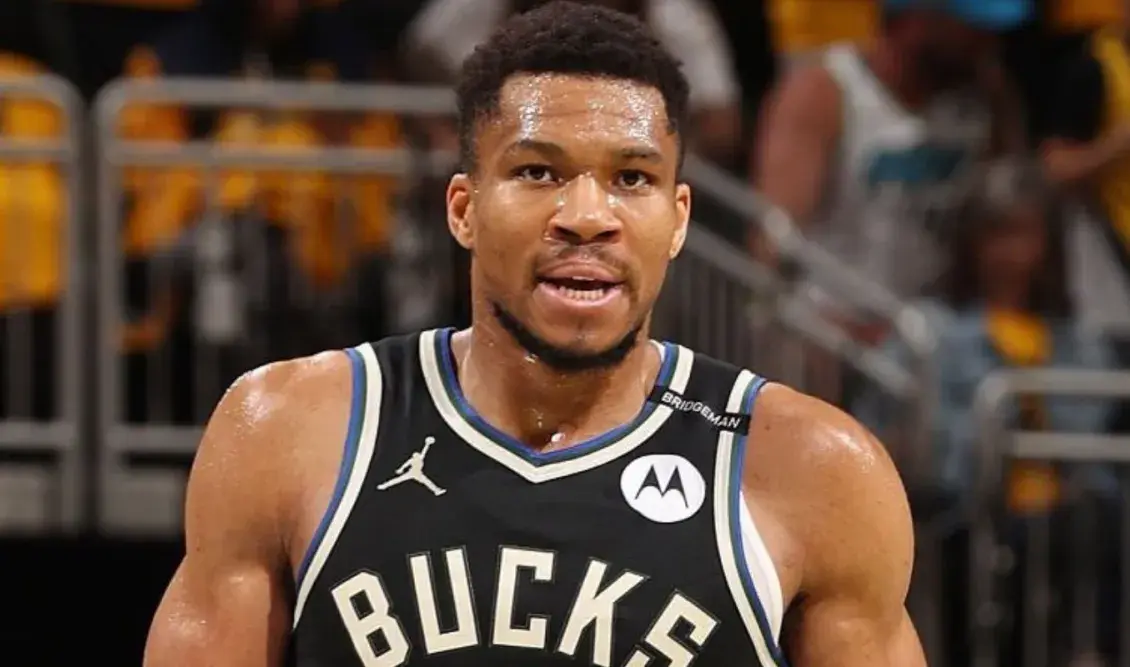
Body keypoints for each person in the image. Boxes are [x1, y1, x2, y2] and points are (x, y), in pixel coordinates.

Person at [142, 3, 924, 666]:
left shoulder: (813, 471)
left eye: (632, 178)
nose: (586, 216)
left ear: (679, 218)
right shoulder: (289, 430)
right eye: (538, 172)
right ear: (463, 208)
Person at [753, 0, 1031, 340]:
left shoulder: (986, 98)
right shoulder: (827, 91)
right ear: (914, 22)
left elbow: (1010, 217)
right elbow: (774, 238)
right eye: (972, 29)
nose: (989, 43)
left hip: (933, 333)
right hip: (830, 331)